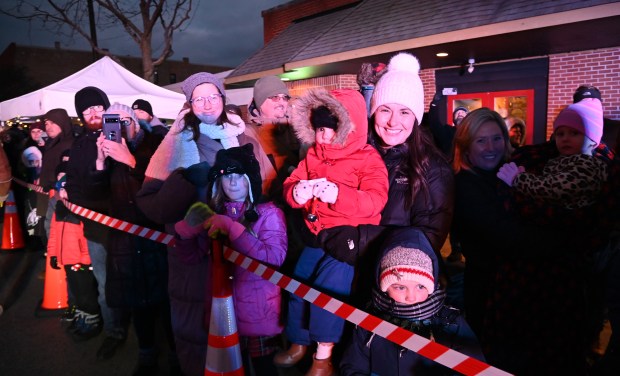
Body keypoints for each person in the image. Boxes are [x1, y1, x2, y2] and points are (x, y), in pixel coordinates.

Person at [136, 72, 275, 376]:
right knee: (199, 340)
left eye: (213, 95)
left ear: (223, 100)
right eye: (199, 98)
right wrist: (185, 181)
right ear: (190, 104)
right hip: (193, 261)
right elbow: (152, 205)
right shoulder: (174, 143)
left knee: (248, 335)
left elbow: (268, 194)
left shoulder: (244, 137)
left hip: (243, 252)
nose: (207, 103)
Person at [451, 107, 599, 375]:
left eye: (497, 138)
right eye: (480, 140)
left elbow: (553, 149)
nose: (490, 148)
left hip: (526, 297)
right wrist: (572, 236)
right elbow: (509, 237)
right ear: (466, 147)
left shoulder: (511, 170)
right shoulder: (466, 186)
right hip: (489, 295)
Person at [275, 87, 389, 375]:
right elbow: (293, 181)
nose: (323, 136)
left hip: (346, 239)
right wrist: (295, 192)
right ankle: (299, 342)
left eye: (330, 129)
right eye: (319, 129)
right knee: (298, 284)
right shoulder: (313, 154)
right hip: (316, 235)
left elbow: (376, 200)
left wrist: (338, 194)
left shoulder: (368, 158)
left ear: (348, 128)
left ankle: (323, 356)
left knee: (328, 294)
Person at [173, 144, 287, 376]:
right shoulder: (215, 214)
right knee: (233, 368)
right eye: (227, 177)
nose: (233, 183)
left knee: (264, 369)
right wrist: (185, 234)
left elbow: (275, 257)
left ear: (250, 180)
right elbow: (193, 257)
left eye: (239, 176)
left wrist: (233, 229)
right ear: (218, 183)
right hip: (223, 311)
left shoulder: (268, 213)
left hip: (257, 313)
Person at [86, 102, 176, 374]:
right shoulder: (107, 150)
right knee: (139, 303)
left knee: (168, 300)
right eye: (111, 121)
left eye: (123, 120)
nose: (118, 127)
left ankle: (177, 356)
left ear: (136, 121)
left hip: (157, 235)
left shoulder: (156, 143)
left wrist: (132, 161)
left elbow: (165, 186)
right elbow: (96, 195)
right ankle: (146, 354)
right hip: (125, 240)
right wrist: (100, 163)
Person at [340, 227, 484, 375]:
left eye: (421, 286)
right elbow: (353, 366)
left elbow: (473, 366)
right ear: (383, 286)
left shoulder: (450, 322)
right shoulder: (369, 322)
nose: (411, 297)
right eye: (400, 287)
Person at [63, 86, 129, 359]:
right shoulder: (79, 146)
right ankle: (115, 331)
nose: (92, 113)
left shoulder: (123, 136)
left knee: (138, 279)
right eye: (86, 110)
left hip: (129, 226)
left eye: (98, 108)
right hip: (96, 229)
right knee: (105, 286)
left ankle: (149, 337)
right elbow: (76, 184)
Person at [497, 99, 607, 209]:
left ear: (593, 140)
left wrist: (519, 179)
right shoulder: (559, 158)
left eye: (574, 133)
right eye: (560, 134)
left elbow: (554, 189)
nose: (565, 138)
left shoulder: (587, 165)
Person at [248, 75, 299, 194]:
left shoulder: (297, 131)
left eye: (285, 98)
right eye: (275, 97)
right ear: (260, 102)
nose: (281, 102)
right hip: (268, 202)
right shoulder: (248, 133)